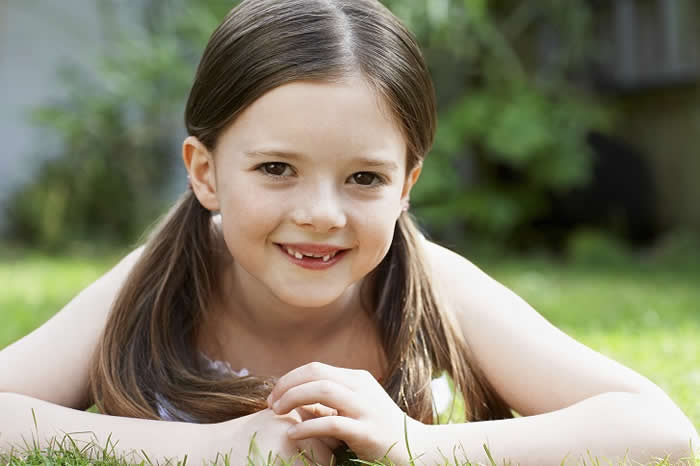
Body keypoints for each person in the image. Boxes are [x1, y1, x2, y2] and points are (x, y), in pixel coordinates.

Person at [1, 1, 698, 465]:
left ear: (405, 187)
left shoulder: (434, 286)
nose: (322, 214)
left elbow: (660, 429)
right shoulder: (156, 281)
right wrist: (219, 446)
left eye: (364, 178)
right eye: (277, 168)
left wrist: (415, 444)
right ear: (206, 172)